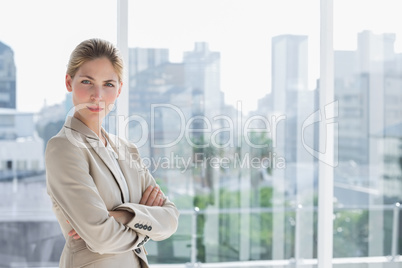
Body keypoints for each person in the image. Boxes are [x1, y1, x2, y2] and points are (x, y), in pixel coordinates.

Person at [45, 38, 179, 268]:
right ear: (69, 82)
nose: (97, 95)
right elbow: (101, 239)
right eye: (87, 81)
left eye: (108, 84)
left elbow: (171, 219)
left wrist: (124, 216)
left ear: (119, 89)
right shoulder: (64, 147)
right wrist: (146, 228)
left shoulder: (127, 150)